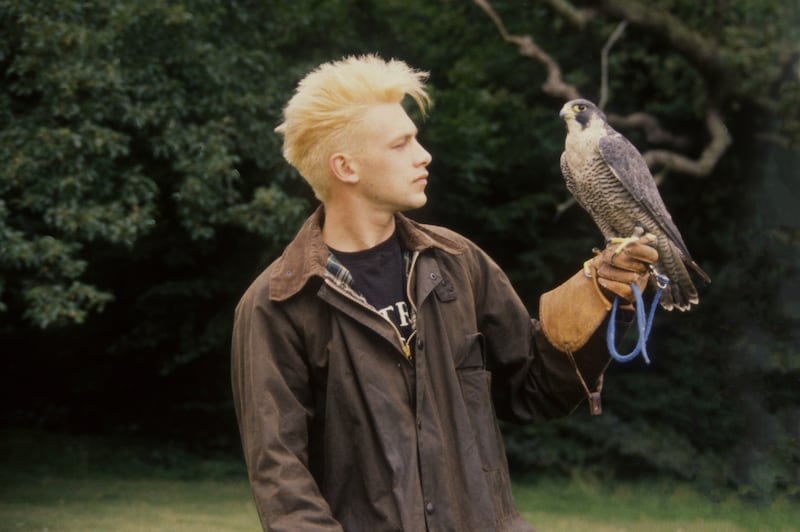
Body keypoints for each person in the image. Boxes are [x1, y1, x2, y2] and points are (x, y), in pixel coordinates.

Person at [231, 54, 658, 531]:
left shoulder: (458, 262)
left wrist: (607, 305)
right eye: (401, 143)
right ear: (345, 167)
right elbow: (283, 484)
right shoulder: (278, 304)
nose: (423, 154)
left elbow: (534, 390)